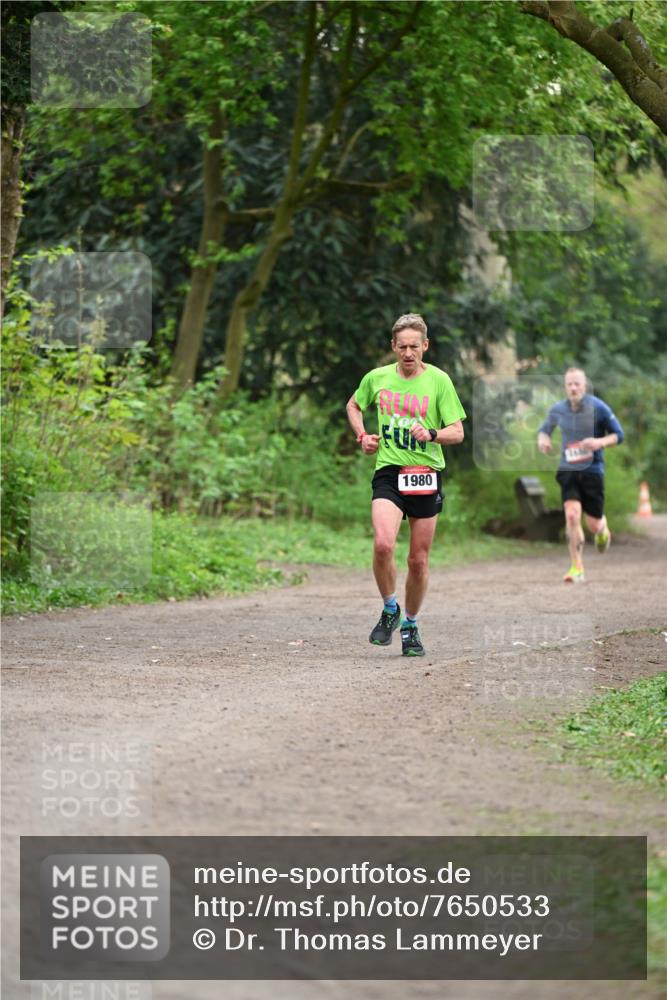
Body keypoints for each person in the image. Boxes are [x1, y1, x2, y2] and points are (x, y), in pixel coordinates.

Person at [346, 313, 466, 657]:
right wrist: (362, 435)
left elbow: (457, 431)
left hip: (426, 472)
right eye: (402, 346)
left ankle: (410, 625)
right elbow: (354, 405)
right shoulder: (377, 378)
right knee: (383, 544)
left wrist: (431, 433)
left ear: (425, 346)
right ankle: (390, 608)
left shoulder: (439, 382)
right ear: (393, 347)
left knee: (418, 560)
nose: (408, 353)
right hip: (389, 470)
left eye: (415, 346)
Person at [537, 367, 624, 584]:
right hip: (568, 470)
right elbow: (544, 430)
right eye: (570, 384)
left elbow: (618, 435)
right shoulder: (558, 409)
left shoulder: (599, 407)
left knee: (593, 524)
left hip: (593, 471)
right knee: (572, 515)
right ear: (565, 387)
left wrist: (599, 442)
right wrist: (543, 440)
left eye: (577, 383)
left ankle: (602, 530)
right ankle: (577, 567)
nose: (574, 388)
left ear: (584, 385)